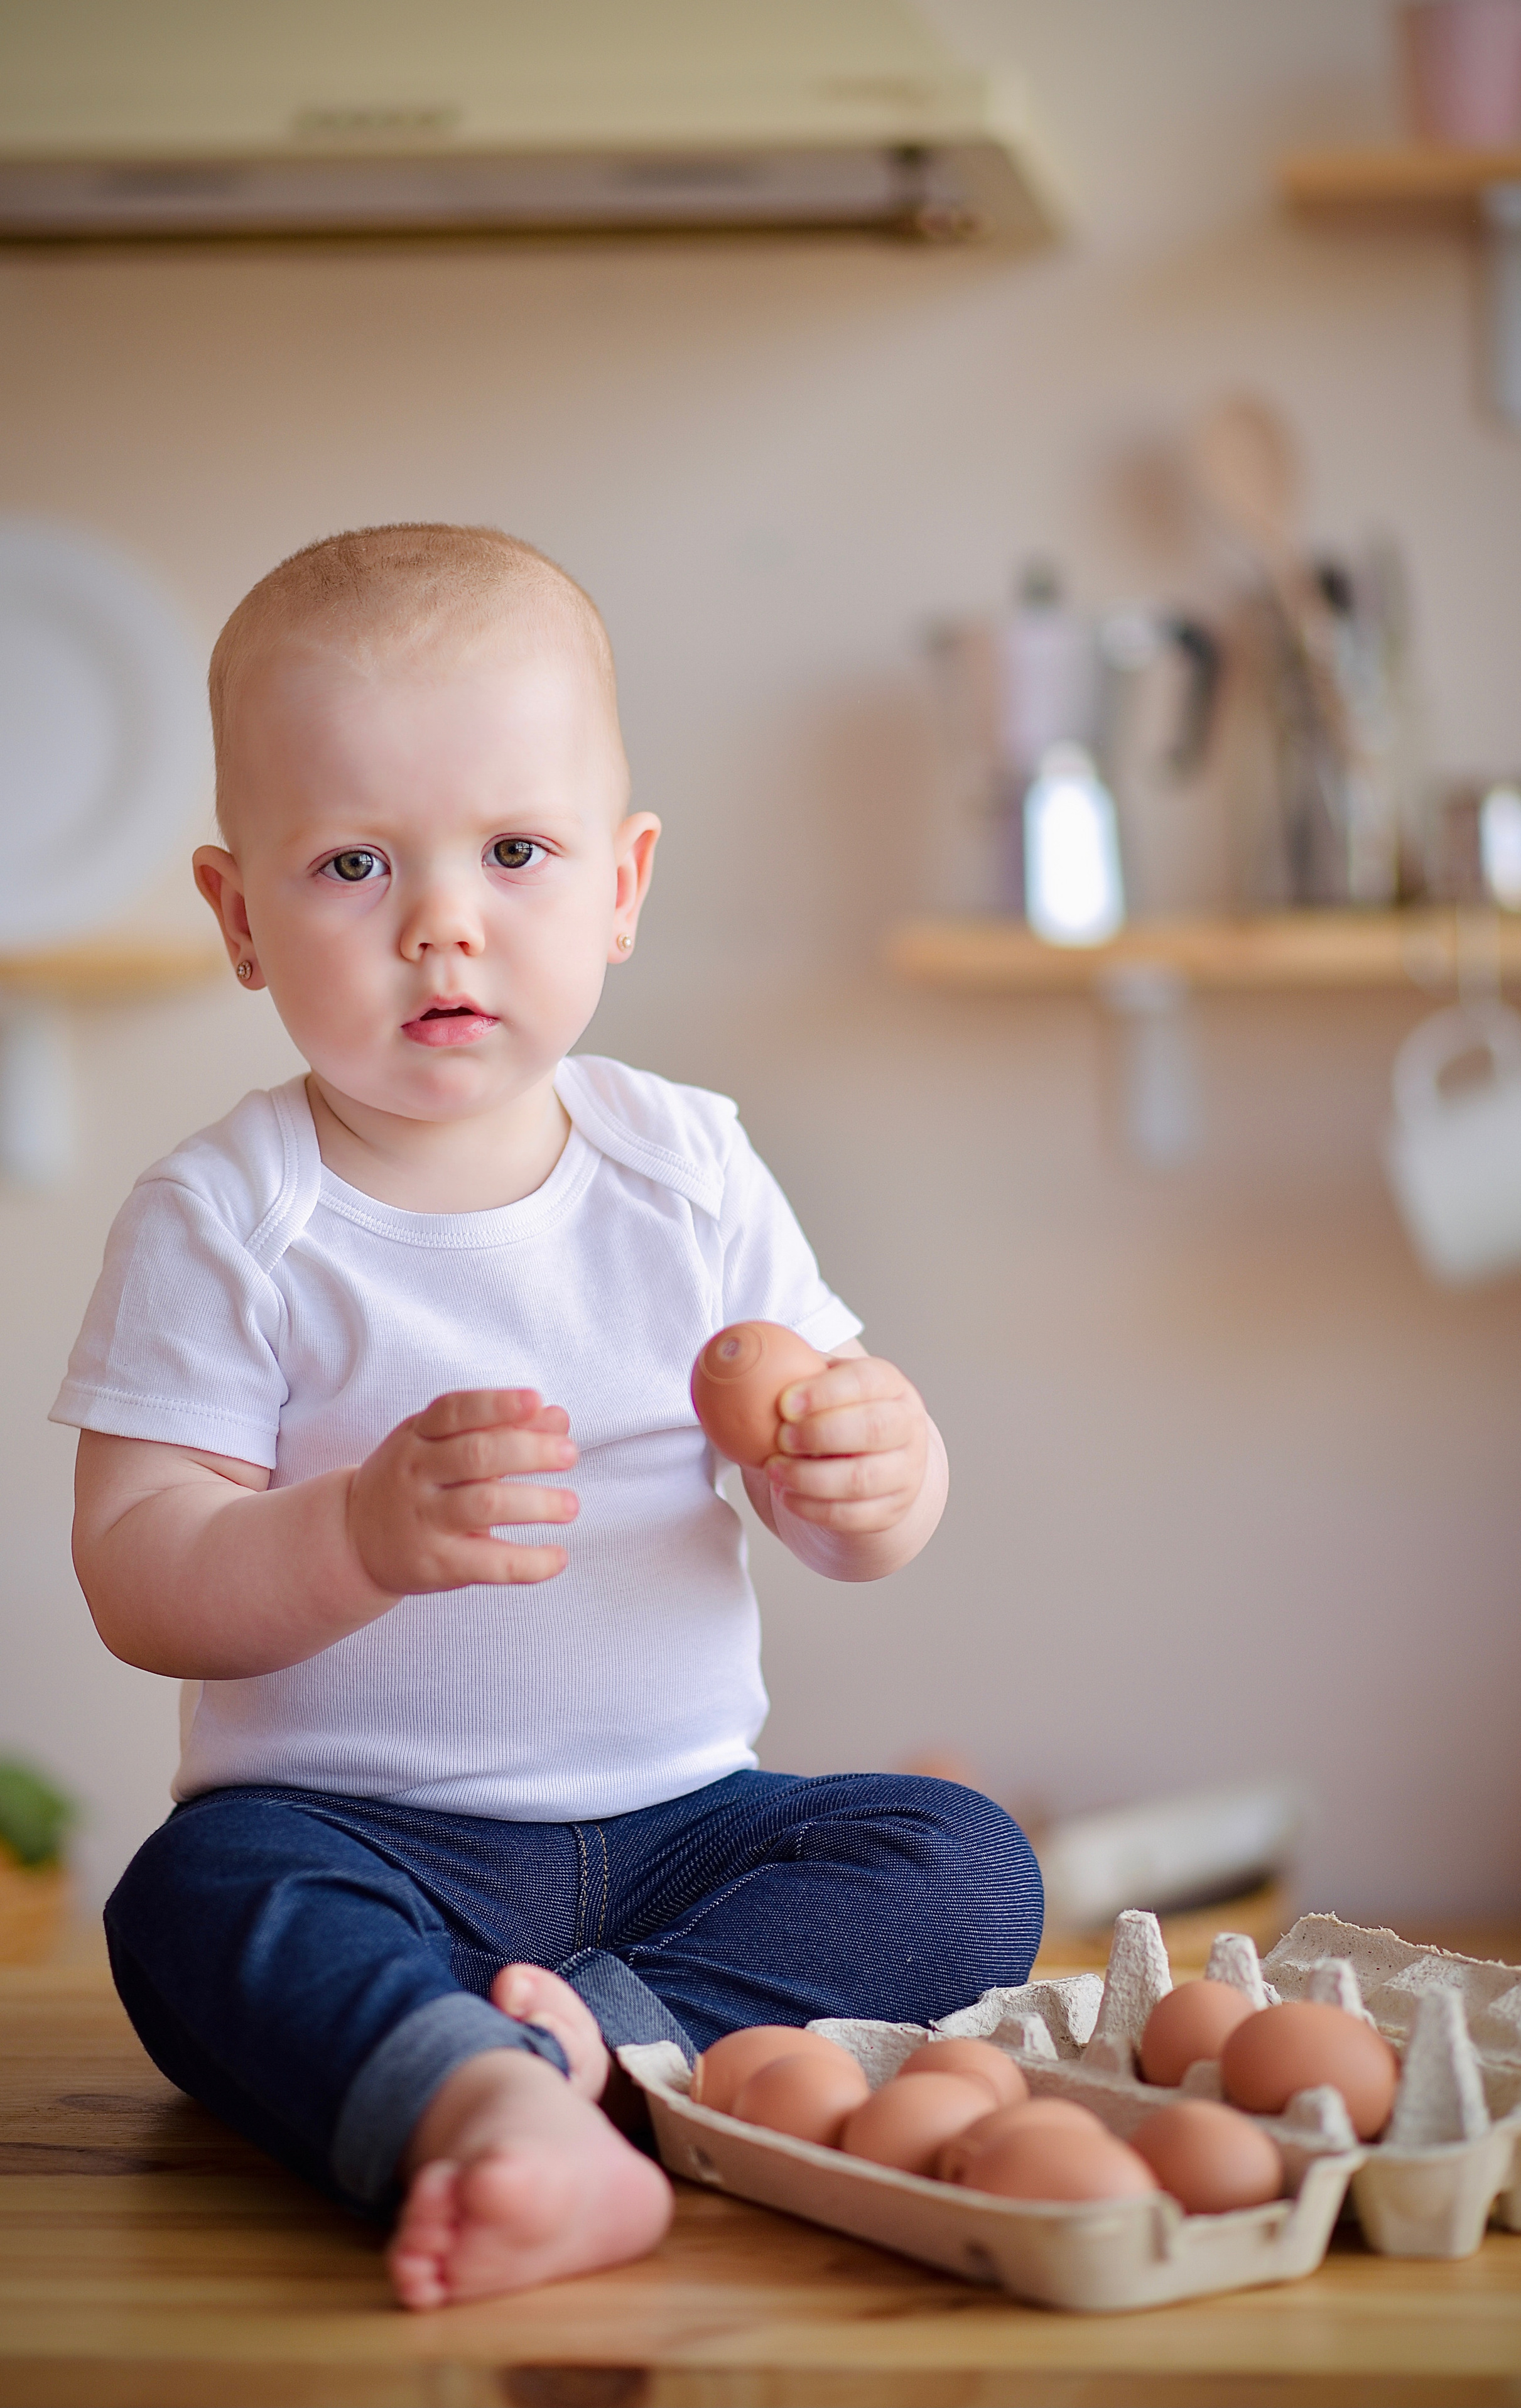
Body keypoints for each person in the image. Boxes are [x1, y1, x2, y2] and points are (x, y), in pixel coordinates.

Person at [53, 523, 1042, 2309]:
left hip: (683, 1827)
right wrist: (345, 1535)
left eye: (516, 850)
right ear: (237, 917)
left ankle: (588, 2042)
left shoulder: (691, 1171)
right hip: (358, 1833)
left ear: (622, 880)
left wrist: (876, 1476)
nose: (444, 919)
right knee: (190, 1900)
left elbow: (835, 1502)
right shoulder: (224, 1215)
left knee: (959, 1859)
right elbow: (137, 1573)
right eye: (354, 862)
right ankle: (484, 2102)